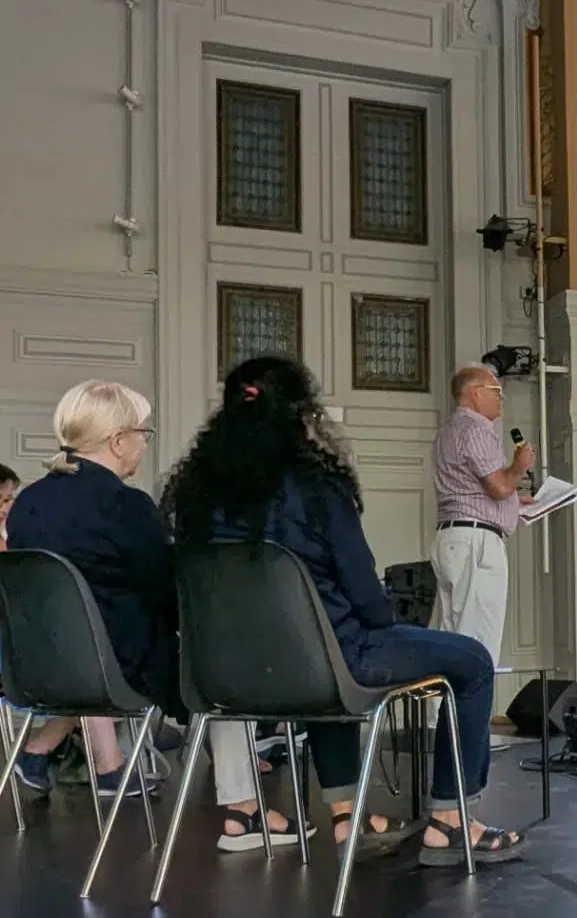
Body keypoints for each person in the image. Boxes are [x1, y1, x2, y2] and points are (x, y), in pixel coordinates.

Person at [164, 356, 522, 865]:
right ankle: (451, 819)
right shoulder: (317, 488)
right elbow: (368, 602)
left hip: (224, 677)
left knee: (322, 646)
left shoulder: (194, 498)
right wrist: (385, 620)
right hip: (322, 667)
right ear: (302, 416)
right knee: (471, 660)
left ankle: (349, 814)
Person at [4, 383, 168, 800]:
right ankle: (244, 802)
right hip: (116, 665)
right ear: (118, 441)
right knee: (204, 654)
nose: (144, 444)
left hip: (35, 661)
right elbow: (165, 590)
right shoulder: (128, 506)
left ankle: (49, 751)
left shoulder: (27, 503)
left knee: (93, 638)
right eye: (143, 433)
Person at [429, 365, 534, 665]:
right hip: (477, 542)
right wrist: (519, 466)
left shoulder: (447, 432)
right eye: (496, 391)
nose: (502, 397)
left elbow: (471, 489)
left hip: (453, 538)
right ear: (475, 393)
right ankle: (472, 698)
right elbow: (499, 487)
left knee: (450, 636)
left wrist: (514, 503)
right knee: (478, 641)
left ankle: (446, 698)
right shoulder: (475, 430)